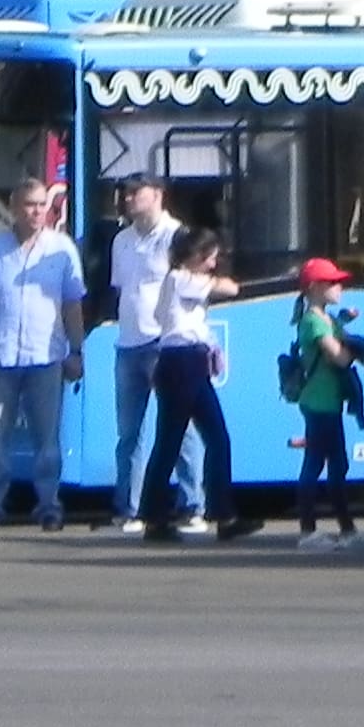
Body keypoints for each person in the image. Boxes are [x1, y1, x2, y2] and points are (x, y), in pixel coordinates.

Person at [0, 178, 84, 533]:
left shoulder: (62, 250)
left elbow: (73, 304)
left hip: (46, 356)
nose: (37, 212)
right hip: (0, 358)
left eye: (42, 205)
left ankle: (49, 505)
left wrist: (76, 351)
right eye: (30, 205)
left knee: (47, 442)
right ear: (14, 209)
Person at [136, 226, 257, 541]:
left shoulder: (173, 282)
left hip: (183, 361)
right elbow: (229, 289)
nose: (214, 264)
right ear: (195, 256)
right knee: (186, 439)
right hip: (183, 362)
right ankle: (168, 517)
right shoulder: (181, 279)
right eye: (211, 257)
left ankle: (209, 514)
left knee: (197, 439)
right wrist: (220, 279)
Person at [107, 177, 199, 536]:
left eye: (136, 193)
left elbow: (193, 286)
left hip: (166, 346)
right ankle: (130, 509)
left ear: (158, 196)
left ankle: (192, 505)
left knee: (179, 428)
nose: (128, 199)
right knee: (129, 433)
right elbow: (122, 291)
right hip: (128, 345)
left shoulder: (177, 236)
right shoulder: (122, 240)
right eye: (126, 194)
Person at [289, 255, 364, 549]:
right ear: (314, 288)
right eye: (332, 282)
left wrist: (345, 320)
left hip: (329, 402)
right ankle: (308, 532)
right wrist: (359, 351)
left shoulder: (328, 319)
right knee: (316, 465)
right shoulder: (312, 322)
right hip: (318, 403)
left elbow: (336, 333)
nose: (339, 287)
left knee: (338, 465)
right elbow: (339, 356)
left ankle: (347, 529)